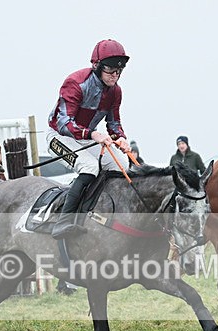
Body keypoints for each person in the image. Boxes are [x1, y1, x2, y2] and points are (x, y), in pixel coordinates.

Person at [47, 39, 132, 239]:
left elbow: (113, 124)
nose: (115, 75)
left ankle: (98, 210)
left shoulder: (115, 91)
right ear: (97, 66)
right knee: (90, 167)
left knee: (122, 164)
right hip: (59, 137)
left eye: (119, 70)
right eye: (111, 70)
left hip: (85, 139)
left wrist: (121, 139)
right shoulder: (75, 83)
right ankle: (64, 221)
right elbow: (63, 123)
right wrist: (92, 133)